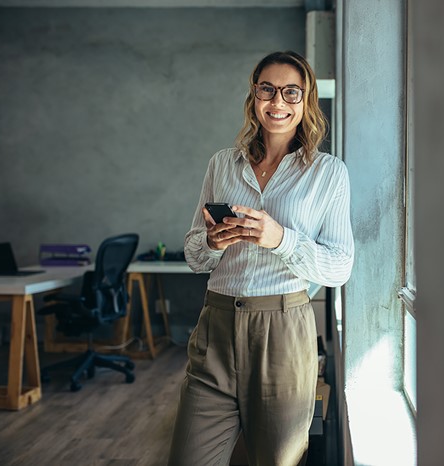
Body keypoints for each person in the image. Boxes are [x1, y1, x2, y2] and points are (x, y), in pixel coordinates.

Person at [168, 50, 354, 466]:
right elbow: (195, 254)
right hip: (215, 326)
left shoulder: (329, 173)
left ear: (306, 102)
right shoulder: (222, 164)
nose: (278, 102)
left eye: (291, 92)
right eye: (267, 89)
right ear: (253, 96)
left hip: (283, 333)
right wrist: (213, 243)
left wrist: (280, 239)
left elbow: (340, 266)